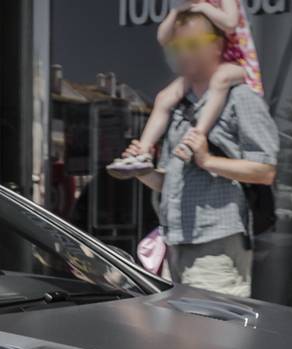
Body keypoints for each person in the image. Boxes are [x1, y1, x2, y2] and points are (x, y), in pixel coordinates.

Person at [122, 9, 279, 297]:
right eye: (178, 47)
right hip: (174, 243)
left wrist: (208, 160)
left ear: (217, 46)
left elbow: (266, 171)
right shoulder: (179, 105)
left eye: (193, 44)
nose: (184, 54)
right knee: (179, 340)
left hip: (216, 248)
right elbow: (170, 182)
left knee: (214, 338)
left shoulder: (240, 98)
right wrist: (142, 172)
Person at [107, 0, 261, 176]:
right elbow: (163, 38)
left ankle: (195, 137)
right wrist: (175, 12)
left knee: (221, 79)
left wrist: (205, 8)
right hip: (206, 67)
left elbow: (230, 23)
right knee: (165, 97)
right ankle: (142, 152)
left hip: (237, 62)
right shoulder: (187, 6)